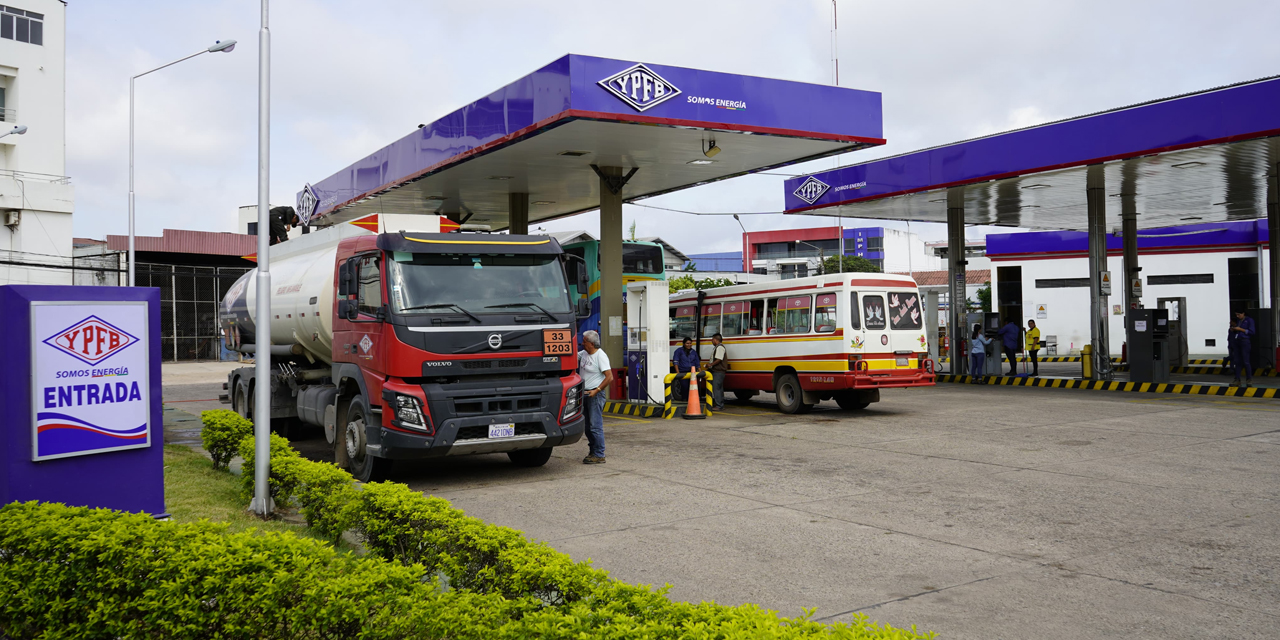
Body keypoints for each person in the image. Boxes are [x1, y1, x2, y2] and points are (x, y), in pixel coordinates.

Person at [577, 330, 612, 464]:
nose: (582, 343)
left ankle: (599, 454)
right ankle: (593, 451)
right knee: (587, 426)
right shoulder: (584, 353)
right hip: (584, 393)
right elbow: (573, 356)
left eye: (585, 341)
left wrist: (596, 390)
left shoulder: (600, 356)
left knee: (595, 426)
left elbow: (609, 377)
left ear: (591, 343)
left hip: (594, 395)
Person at [1229, 310, 1255, 388]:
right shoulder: (1239, 321)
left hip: (1245, 341)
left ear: (1243, 313)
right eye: (1236, 314)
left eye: (1238, 314)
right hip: (1237, 341)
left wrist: (1240, 329)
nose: (1237, 316)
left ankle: (1249, 379)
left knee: (1246, 361)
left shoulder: (1249, 320)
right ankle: (1237, 379)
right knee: (1237, 361)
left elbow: (1252, 332)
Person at [672, 337, 700, 401]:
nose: (689, 345)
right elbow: (676, 362)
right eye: (687, 343)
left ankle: (691, 400)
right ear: (684, 343)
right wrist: (678, 373)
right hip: (683, 372)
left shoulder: (693, 352)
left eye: (690, 343)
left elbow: (697, 363)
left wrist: (701, 373)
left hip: (692, 373)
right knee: (684, 386)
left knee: (692, 387)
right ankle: (684, 399)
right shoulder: (678, 351)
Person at [707, 333, 728, 410]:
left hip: (718, 371)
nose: (712, 341)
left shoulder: (719, 347)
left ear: (715, 340)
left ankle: (719, 405)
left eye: (712, 339)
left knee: (716, 388)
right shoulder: (717, 347)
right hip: (718, 371)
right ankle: (720, 404)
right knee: (719, 388)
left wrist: (710, 364)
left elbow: (719, 359)